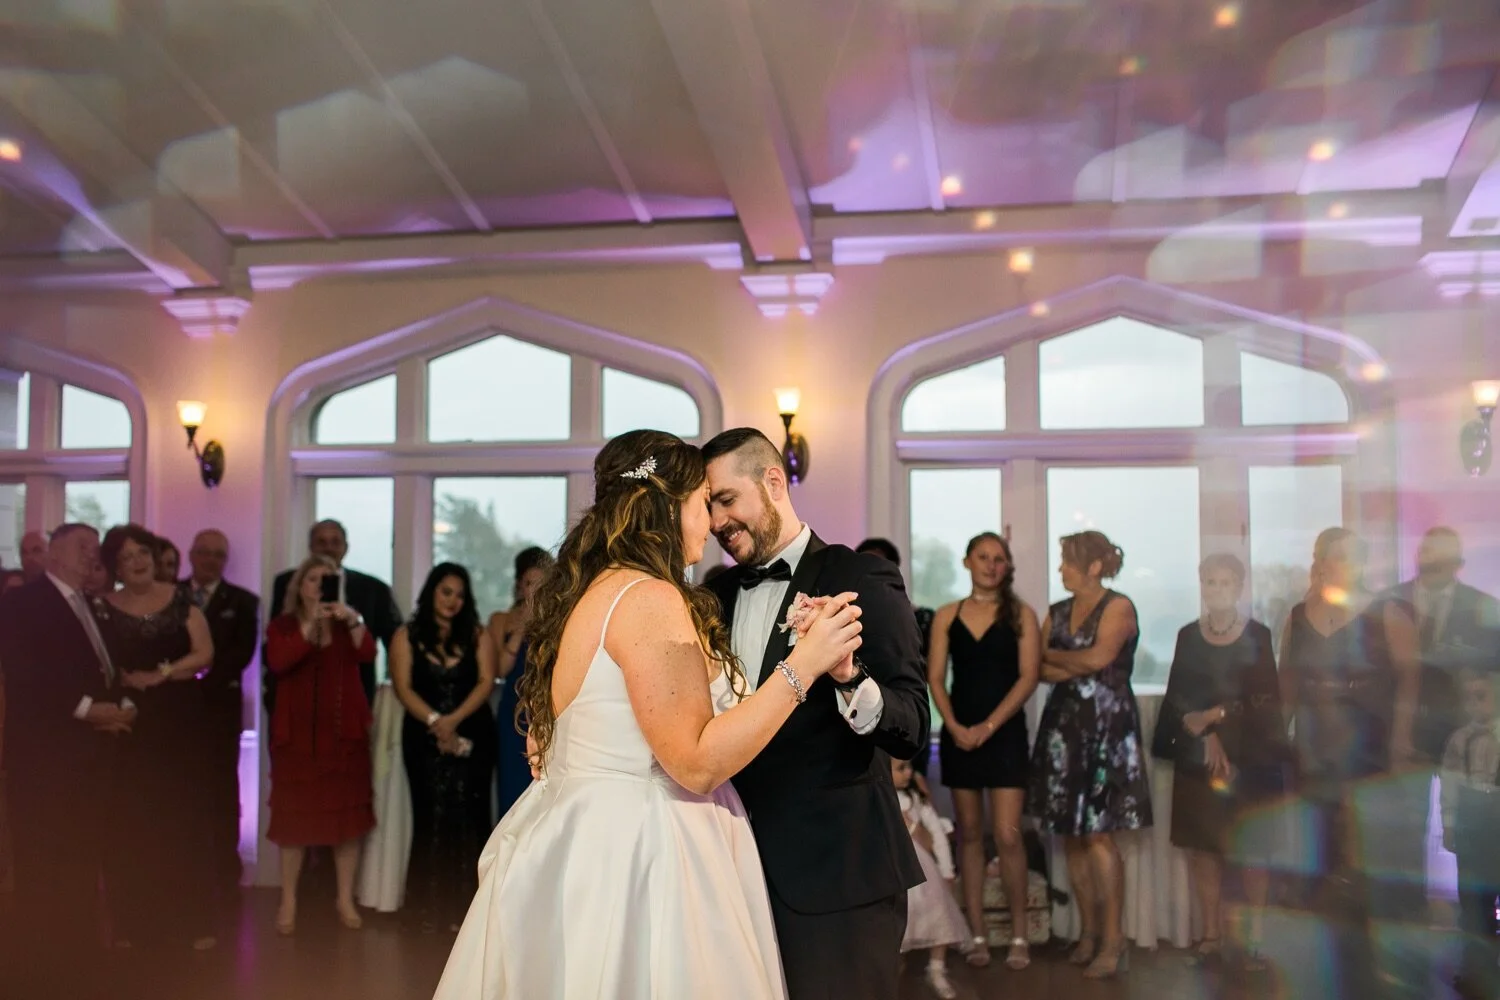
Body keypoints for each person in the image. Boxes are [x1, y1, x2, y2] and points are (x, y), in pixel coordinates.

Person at [432, 430, 862, 999]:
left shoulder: (594, 592)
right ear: (668, 507)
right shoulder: (648, 598)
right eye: (702, 503)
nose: (712, 522)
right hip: (647, 852)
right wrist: (802, 667)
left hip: (585, 837)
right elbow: (695, 764)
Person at [703, 427, 930, 1000]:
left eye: (726, 500)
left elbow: (911, 724)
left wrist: (848, 678)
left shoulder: (861, 579)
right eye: (708, 507)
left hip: (839, 876)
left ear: (773, 481)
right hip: (735, 873)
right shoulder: (713, 598)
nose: (717, 522)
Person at [1279, 527, 1421, 999]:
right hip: (1314, 749)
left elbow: (1410, 681)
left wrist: (1401, 741)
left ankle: (1369, 969)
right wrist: (1280, 740)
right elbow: (1287, 684)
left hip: (1368, 747)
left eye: (1350, 556)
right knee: (1320, 852)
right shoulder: (1297, 617)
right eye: (1334, 556)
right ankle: (1326, 964)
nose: (1342, 564)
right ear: (1320, 562)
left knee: (1366, 857)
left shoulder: (1387, 612)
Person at [0, 524, 135, 996]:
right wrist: (86, 710)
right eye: (83, 547)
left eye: (96, 549)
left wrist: (122, 706)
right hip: (44, 763)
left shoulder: (92, 605)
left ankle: (78, 963)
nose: (92, 556)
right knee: (42, 867)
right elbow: (25, 674)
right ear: (54, 553)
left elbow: (107, 670)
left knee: (81, 864)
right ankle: (37, 972)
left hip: (91, 761)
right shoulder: (22, 603)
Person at [1027, 530, 1151, 980]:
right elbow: (1037, 668)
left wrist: (1056, 658)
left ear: (1094, 566)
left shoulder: (1119, 606)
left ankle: (1114, 938)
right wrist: (1067, 661)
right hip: (1063, 729)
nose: (1061, 568)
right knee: (1071, 836)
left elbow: (1099, 659)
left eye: (1068, 561)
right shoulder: (1058, 611)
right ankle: (1088, 932)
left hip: (1107, 730)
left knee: (1099, 836)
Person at [1152, 553, 1285, 970]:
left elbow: (1265, 701)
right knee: (1203, 849)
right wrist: (1205, 732)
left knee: (1252, 851)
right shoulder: (1188, 635)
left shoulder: (1258, 634)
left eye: (1225, 582)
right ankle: (1210, 935)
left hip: (1250, 756)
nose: (1217, 589)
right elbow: (1178, 697)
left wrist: (1216, 716)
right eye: (1210, 582)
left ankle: (1255, 940)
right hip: (1199, 756)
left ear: (1240, 588)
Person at [94, 524, 216, 951]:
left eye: (142, 553)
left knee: (184, 818)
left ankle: (194, 922)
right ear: (115, 567)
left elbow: (205, 654)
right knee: (132, 821)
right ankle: (132, 924)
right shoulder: (103, 609)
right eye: (125, 558)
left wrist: (161, 673)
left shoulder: (181, 600)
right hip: (131, 726)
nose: (137, 562)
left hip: (180, 724)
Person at [926, 531, 1040, 971]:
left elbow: (1029, 677)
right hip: (960, 736)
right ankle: (975, 934)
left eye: (999, 559)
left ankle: (1019, 935)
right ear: (967, 562)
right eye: (983, 557)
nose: (991, 565)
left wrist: (989, 726)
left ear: (1007, 566)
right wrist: (954, 727)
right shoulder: (946, 615)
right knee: (970, 834)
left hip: (1006, 735)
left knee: (1008, 835)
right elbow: (935, 678)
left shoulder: (1022, 615)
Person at [264, 554, 377, 936]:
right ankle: (289, 900)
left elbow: (368, 653)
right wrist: (310, 622)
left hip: (343, 738)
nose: (319, 586)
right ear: (299, 585)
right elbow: (280, 661)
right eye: (313, 579)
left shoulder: (346, 624)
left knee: (346, 821)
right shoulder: (282, 625)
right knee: (293, 822)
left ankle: (344, 898)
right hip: (297, 740)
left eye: (327, 580)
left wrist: (353, 619)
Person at [391, 563, 497, 933]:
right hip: (423, 736)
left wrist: (453, 721)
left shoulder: (478, 634)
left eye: (460, 595)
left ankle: (469, 914)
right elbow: (403, 687)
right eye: (446, 592)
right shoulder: (406, 636)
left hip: (474, 734)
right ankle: (426, 911)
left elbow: (486, 681)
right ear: (431, 592)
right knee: (430, 818)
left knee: (471, 817)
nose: (453, 601)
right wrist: (437, 722)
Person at [183, 528, 261, 903]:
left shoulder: (244, 602)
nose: (210, 560)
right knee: (181, 788)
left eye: (218, 554)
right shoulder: (171, 596)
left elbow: (240, 655)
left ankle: (225, 870)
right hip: (177, 711)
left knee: (222, 788)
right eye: (204, 552)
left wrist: (197, 676)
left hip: (219, 710)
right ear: (191, 554)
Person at [269, 519, 401, 706]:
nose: (328, 548)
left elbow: (391, 641)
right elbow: (276, 648)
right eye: (321, 542)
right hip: (296, 695)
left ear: (346, 547)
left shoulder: (373, 588)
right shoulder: (286, 582)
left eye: (335, 542)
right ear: (310, 547)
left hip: (353, 695)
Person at [1440, 671, 1500, 1000]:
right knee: (1472, 899)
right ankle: (1476, 966)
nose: (1474, 704)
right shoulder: (1459, 740)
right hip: (1471, 823)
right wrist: (1449, 824)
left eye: (1482, 696)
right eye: (1469, 698)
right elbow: (1449, 785)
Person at [892, 756, 969, 999]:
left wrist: (947, 870)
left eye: (909, 766)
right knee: (898, 919)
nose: (909, 773)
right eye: (901, 768)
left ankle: (936, 969)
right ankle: (894, 970)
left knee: (938, 912)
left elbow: (936, 834)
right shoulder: (877, 800)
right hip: (892, 870)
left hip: (923, 870)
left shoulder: (916, 799)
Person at [487, 546, 552, 818]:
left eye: (540, 582)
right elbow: (499, 669)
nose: (534, 589)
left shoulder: (555, 620)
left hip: (546, 708)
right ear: (518, 585)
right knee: (512, 785)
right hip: (512, 709)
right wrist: (521, 629)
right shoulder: (501, 620)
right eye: (528, 583)